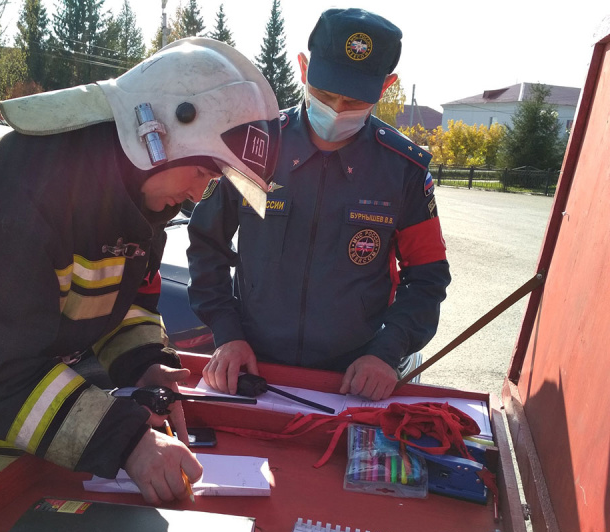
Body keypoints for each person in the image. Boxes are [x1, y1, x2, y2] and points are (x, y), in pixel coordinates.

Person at [0, 37, 280, 532]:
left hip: (32, 440)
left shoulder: (136, 200)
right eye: (202, 172)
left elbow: (126, 305)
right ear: (155, 134)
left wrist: (149, 366)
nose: (197, 195)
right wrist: (130, 443)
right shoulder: (16, 200)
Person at [187, 8, 451, 402]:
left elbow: (427, 276)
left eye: (355, 99)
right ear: (303, 67)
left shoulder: (404, 171)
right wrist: (227, 334)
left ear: (386, 85)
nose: (338, 111)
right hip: (253, 365)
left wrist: (386, 352)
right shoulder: (253, 149)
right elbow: (206, 245)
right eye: (325, 95)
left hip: (353, 378)